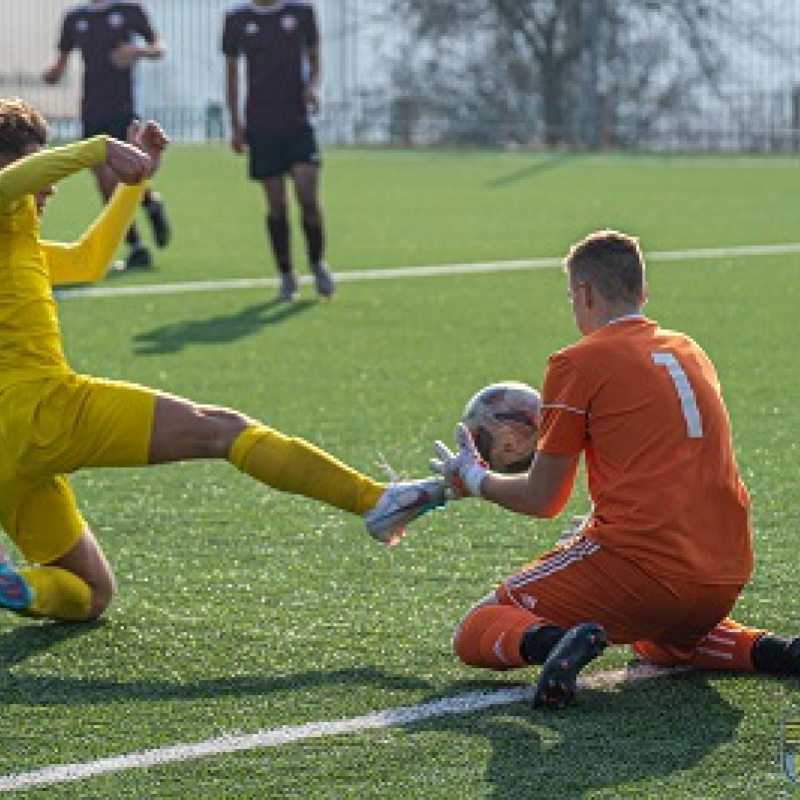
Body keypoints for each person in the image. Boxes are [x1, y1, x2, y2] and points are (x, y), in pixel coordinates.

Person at [0, 97, 444, 623]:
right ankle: (374, 501)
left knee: (92, 595)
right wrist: (98, 149)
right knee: (223, 429)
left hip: (11, 456)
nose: (45, 186)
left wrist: (135, 182)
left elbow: (89, 261)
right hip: (40, 410)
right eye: (32, 163)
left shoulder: (17, 234)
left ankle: (15, 587)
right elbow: (14, 184)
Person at [431, 229, 799, 710]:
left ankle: (552, 646)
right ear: (642, 292)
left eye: (572, 297)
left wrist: (473, 478)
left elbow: (545, 499)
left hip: (645, 570)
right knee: (658, 642)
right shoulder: (690, 350)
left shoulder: (578, 362)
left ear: (585, 293)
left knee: (477, 625)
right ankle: (775, 651)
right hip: (725, 573)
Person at [42, 0, 171, 272]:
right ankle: (137, 244)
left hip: (122, 110)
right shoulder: (75, 17)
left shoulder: (129, 10)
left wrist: (138, 51)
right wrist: (52, 75)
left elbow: (159, 47)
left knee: (122, 174)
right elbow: (62, 64)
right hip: (91, 111)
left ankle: (148, 203)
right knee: (104, 184)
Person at [222, 0, 335, 302]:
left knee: (307, 196)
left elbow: (314, 58)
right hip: (261, 125)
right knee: (276, 205)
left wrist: (313, 87)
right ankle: (287, 274)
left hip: (297, 121)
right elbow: (232, 73)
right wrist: (235, 123)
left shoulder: (301, 13)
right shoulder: (236, 20)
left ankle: (317, 261)